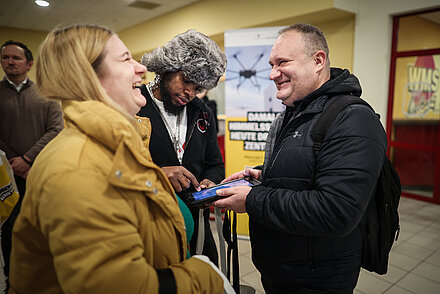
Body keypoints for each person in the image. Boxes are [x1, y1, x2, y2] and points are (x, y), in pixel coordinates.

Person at [8, 24, 231, 294]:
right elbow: (116, 283)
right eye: (126, 58)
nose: (141, 67)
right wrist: (206, 277)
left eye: (198, 87)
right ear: (88, 76)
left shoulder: (115, 137)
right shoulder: (77, 167)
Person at [213, 23, 387, 293]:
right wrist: (263, 176)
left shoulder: (353, 119)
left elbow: (336, 211)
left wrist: (251, 199)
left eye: (282, 63)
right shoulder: (294, 113)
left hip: (316, 278)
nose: (272, 74)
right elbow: (308, 169)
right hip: (282, 268)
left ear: (318, 60)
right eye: (271, 64)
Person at [137, 29, 226, 264]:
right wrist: (158, 173)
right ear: (167, 67)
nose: (189, 92)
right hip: (148, 220)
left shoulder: (202, 112)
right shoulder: (134, 104)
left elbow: (214, 163)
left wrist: (210, 181)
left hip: (196, 224)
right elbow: (113, 165)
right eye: (186, 81)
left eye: (197, 88)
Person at [0, 40, 63, 286]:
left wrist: (27, 159)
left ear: (29, 64)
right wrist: (10, 161)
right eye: (5, 57)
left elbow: (56, 130)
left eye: (16, 58)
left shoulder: (47, 95)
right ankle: (12, 281)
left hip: (39, 172)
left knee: (43, 227)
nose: (10, 62)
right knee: (10, 228)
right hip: (6, 175)